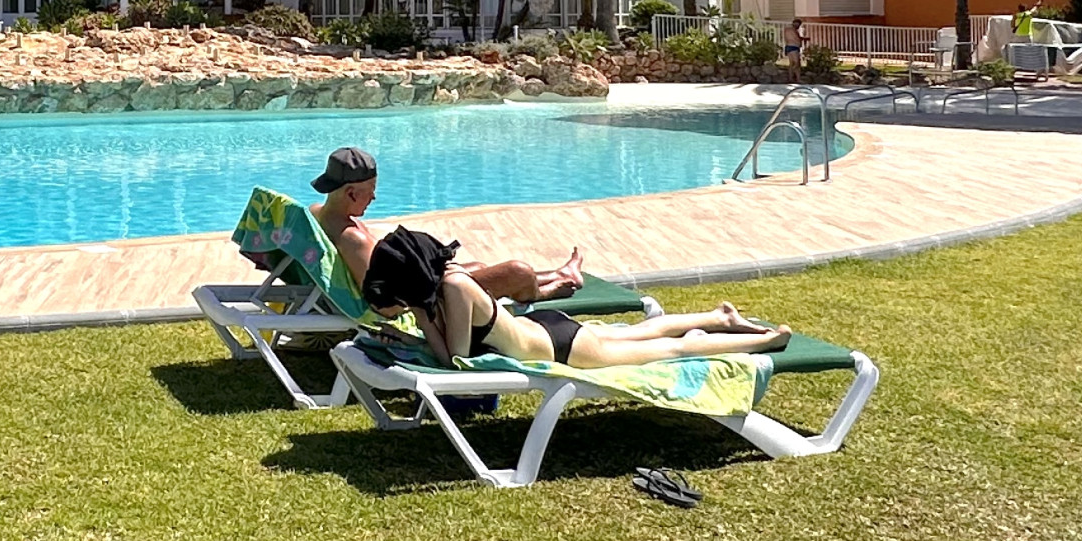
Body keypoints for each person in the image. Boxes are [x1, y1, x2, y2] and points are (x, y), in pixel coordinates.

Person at [308, 145, 789, 367]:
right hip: (547, 330)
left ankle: (761, 342)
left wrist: (414, 321)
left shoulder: (447, 292)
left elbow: (455, 360)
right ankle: (718, 317)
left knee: (670, 350)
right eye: (368, 191)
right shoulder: (448, 284)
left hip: (556, 347)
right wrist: (410, 322)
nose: (373, 199)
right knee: (637, 333)